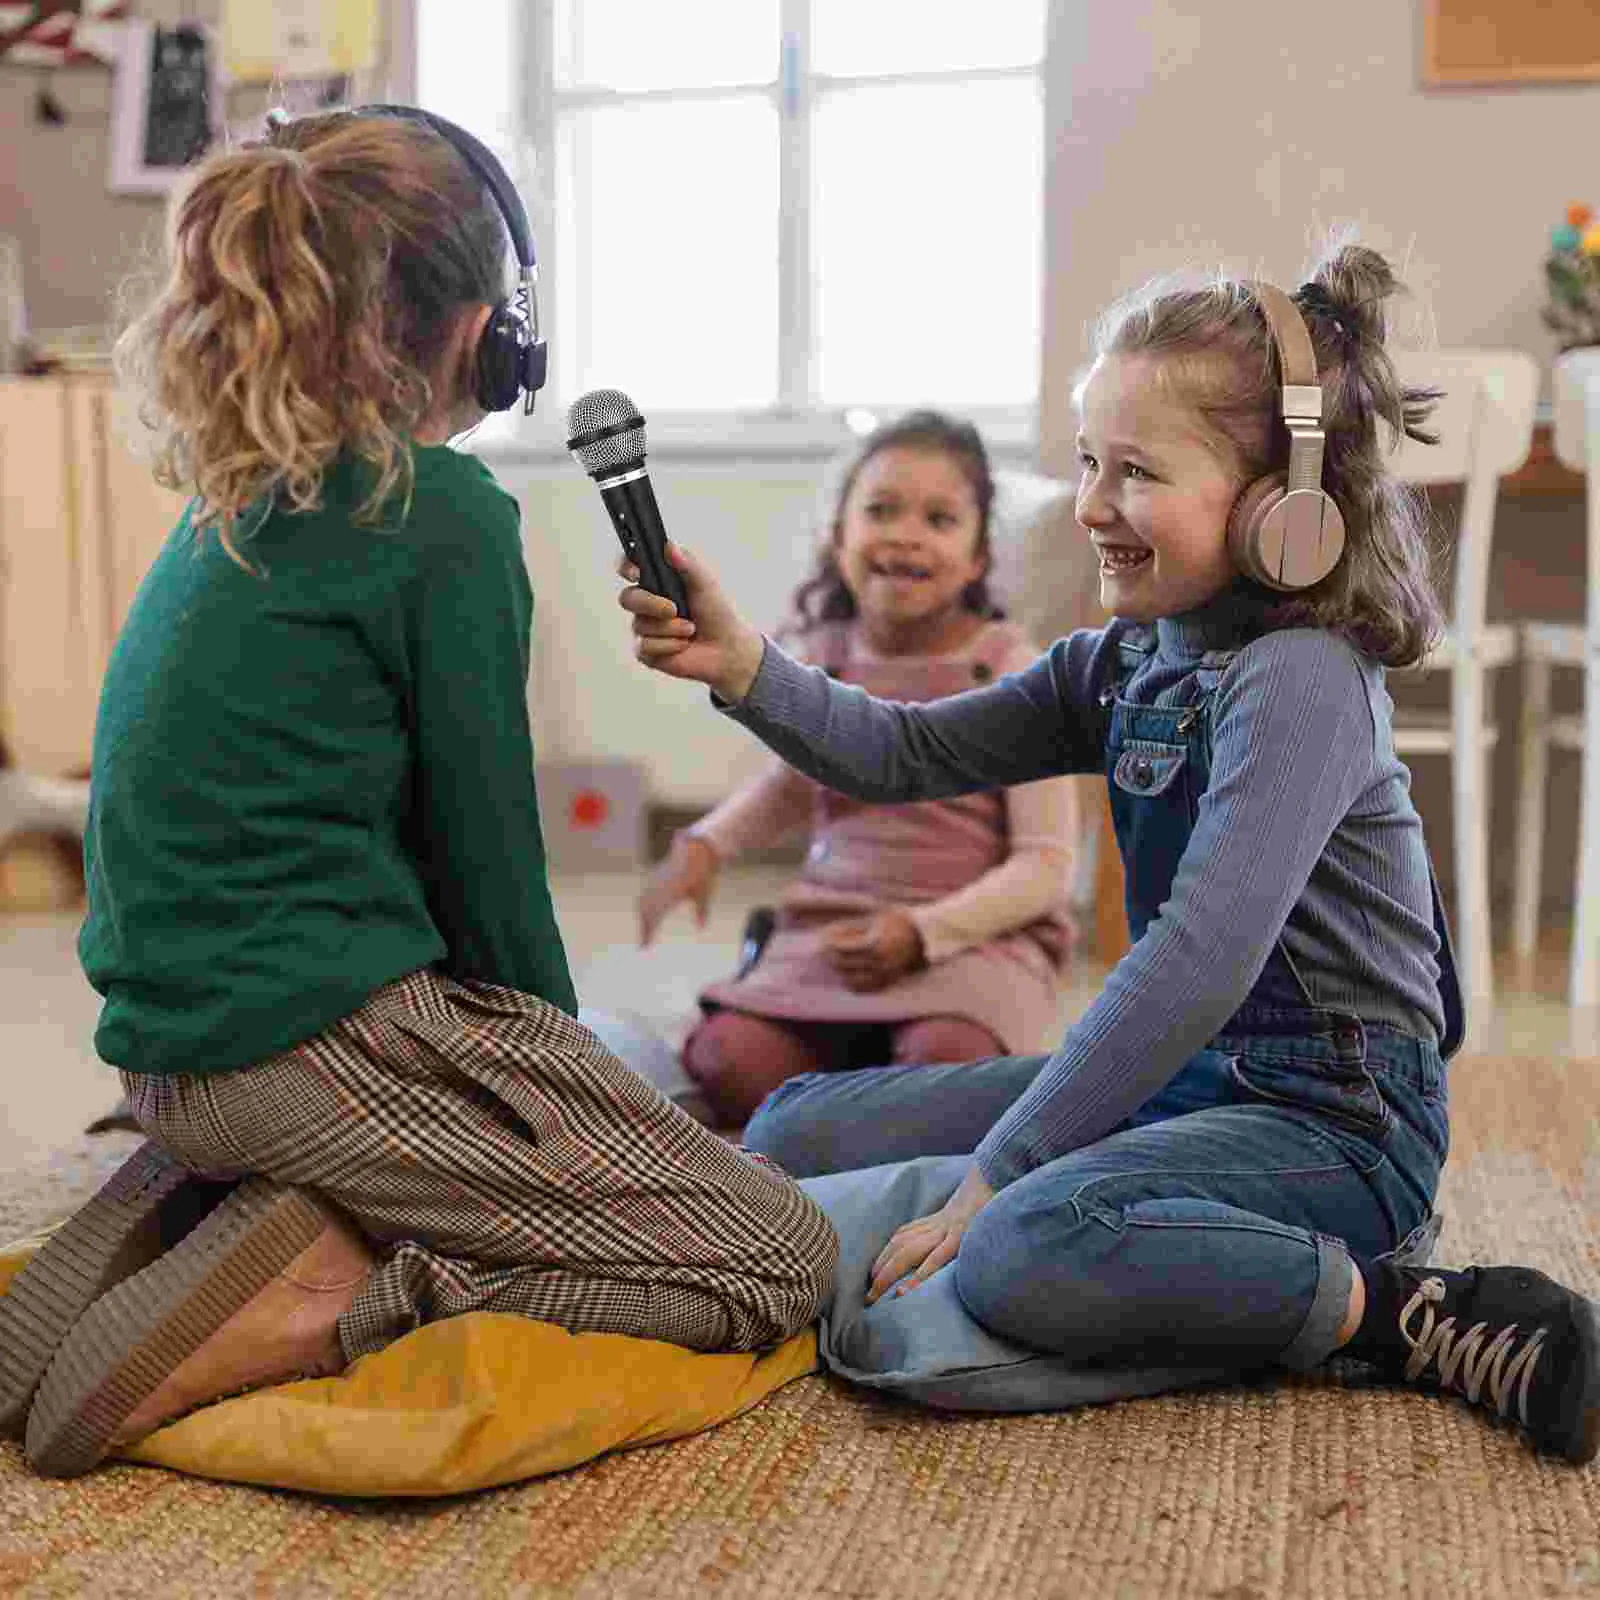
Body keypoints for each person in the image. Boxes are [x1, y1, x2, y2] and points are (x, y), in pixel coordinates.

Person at [618, 244, 1600, 1463]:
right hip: (1190, 1081)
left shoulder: (1301, 679)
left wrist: (999, 1172)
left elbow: (1197, 956)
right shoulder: (1123, 661)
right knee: (795, 1126)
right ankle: (1200, 1245)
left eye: (1133, 472)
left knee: (1031, 1241)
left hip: (1336, 1118)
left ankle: (1390, 1309)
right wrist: (743, 665)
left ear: (1278, 505)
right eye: (1087, 461)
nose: (1087, 504)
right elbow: (902, 755)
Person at [0, 105, 835, 1480]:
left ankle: (211, 1204)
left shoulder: (235, 497)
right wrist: (565, 1099)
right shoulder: (443, 516)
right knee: (777, 1254)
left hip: (173, 1048)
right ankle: (346, 1273)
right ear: (486, 331)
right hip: (309, 1046)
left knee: (627, 1111)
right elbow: (491, 878)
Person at [639, 412, 1079, 1127]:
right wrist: (705, 844)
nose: (905, 532)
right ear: (839, 537)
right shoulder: (826, 655)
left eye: (939, 518)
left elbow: (1045, 867)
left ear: (976, 559)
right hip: (835, 930)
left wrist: (921, 933)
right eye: (880, 510)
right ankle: (855, 1079)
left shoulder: (1009, 668)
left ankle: (868, 1087)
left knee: (949, 1065)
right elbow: (789, 785)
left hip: (972, 944)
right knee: (723, 1062)